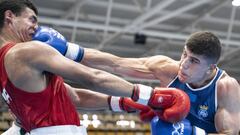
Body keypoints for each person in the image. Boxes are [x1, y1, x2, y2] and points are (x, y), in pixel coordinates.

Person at [0, 0, 190, 135]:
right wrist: (152, 95)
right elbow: (92, 77)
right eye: (32, 19)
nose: (36, 27)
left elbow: (74, 96)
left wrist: (122, 102)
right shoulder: (26, 52)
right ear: (9, 17)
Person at [35, 27, 240, 134]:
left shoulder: (225, 88)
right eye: (184, 54)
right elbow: (116, 63)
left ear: (210, 68)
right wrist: (69, 50)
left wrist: (189, 133)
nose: (183, 64)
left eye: (194, 61)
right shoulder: (167, 69)